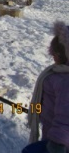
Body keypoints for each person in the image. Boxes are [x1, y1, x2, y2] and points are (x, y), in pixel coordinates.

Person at [27, 21, 69, 153]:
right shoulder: (58, 72)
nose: (53, 56)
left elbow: (65, 116)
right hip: (50, 128)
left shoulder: (64, 81)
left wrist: (57, 144)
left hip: (59, 142)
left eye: (56, 53)